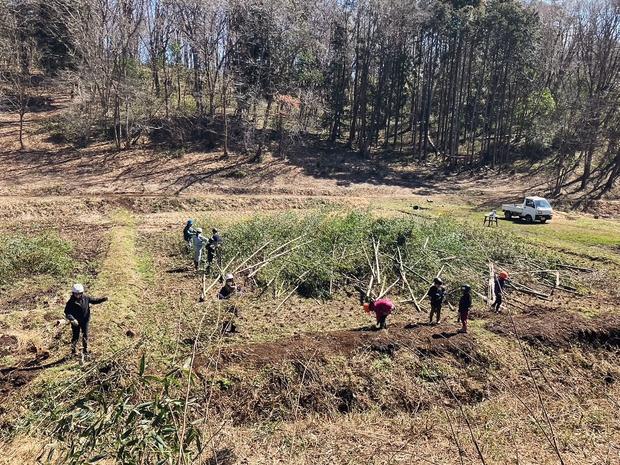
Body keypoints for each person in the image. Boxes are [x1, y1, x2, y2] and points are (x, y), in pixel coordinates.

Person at [64, 283, 108, 356]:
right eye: (76, 294)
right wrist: (72, 319)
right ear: (73, 293)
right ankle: (73, 350)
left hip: (85, 320)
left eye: (79, 294)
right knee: (75, 336)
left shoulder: (86, 298)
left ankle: (85, 349)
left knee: (85, 335)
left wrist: (103, 299)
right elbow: (67, 312)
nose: (77, 295)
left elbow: (94, 300)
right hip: (76, 322)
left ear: (82, 293)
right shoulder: (70, 302)